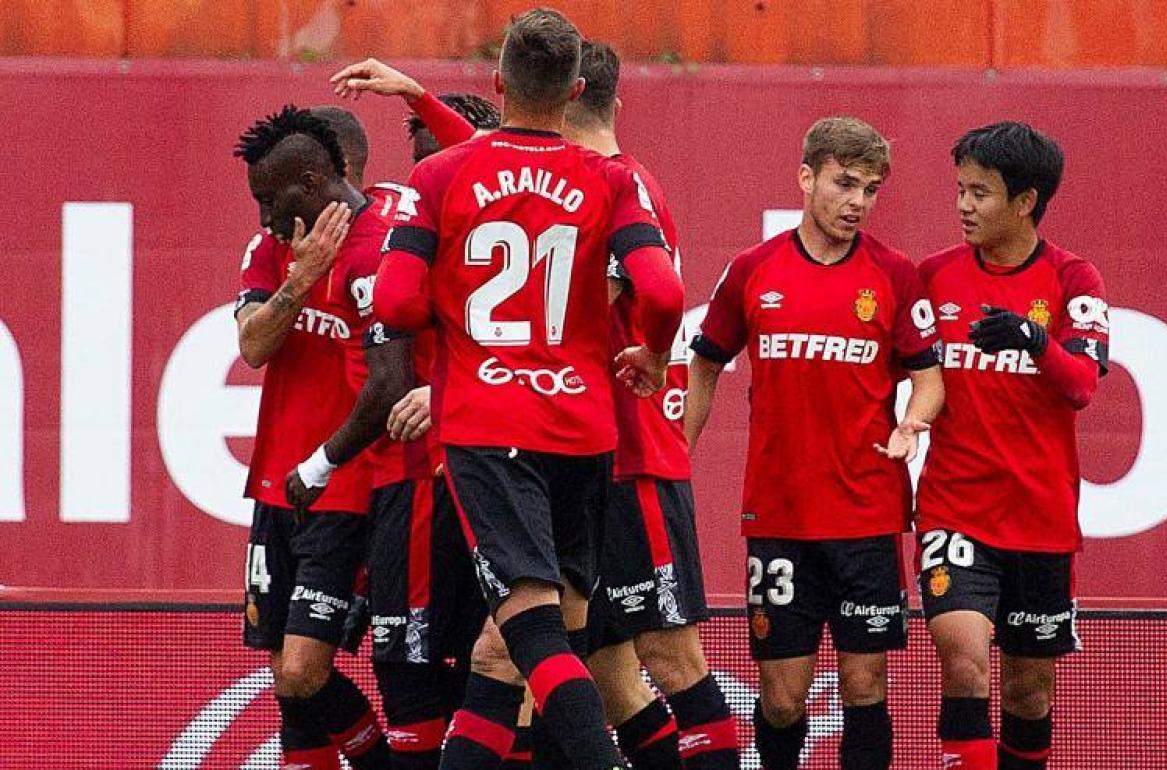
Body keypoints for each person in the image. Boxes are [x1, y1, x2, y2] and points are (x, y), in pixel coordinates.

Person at [336, 9, 685, 770]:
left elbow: (394, 304)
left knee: (531, 631)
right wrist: (653, 356)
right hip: (586, 429)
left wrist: (458, 311)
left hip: (490, 424)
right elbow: (661, 293)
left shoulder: (439, 176)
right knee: (508, 650)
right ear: (577, 90)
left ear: (497, 85)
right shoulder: (610, 179)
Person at [685, 116, 945, 770]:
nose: (858, 201)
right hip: (779, 517)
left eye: (871, 189)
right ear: (807, 178)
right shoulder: (751, 270)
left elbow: (930, 379)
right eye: (845, 183)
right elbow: (706, 362)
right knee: (780, 699)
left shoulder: (894, 274)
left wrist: (913, 420)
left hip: (866, 515)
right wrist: (673, 453)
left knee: (865, 685)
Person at [567, 40, 739, 770]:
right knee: (607, 678)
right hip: (579, 457)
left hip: (631, 455)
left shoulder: (618, 184)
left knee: (671, 659)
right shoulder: (584, 179)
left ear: (563, 93)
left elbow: (592, 310)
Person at [915, 121, 1109, 770]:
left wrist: (1033, 340)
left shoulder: (1075, 279)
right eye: (960, 190)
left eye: (981, 194)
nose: (964, 206)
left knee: (1029, 692)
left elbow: (1082, 384)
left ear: (1025, 202)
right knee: (964, 658)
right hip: (954, 509)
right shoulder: (932, 277)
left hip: (1040, 521)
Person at [234, 105, 389, 770]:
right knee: (288, 682)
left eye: (270, 199)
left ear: (313, 181)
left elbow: (393, 375)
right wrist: (298, 282)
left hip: (345, 487)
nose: (264, 217)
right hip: (275, 484)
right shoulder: (270, 250)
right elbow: (252, 347)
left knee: (302, 669)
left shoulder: (383, 244)